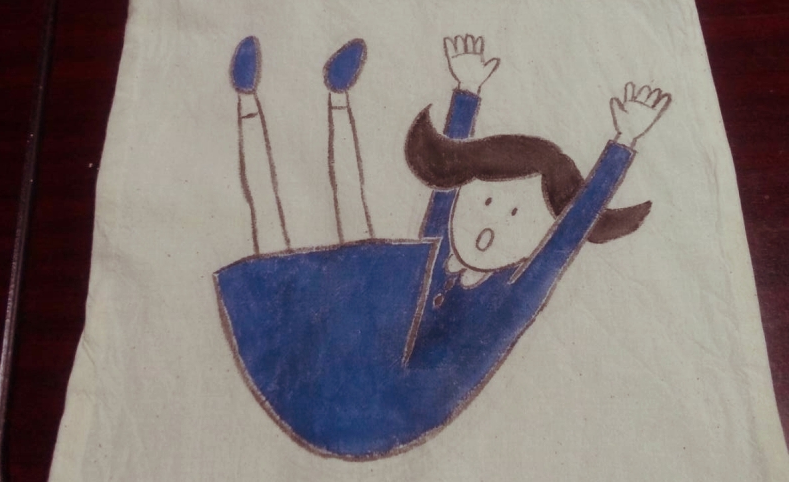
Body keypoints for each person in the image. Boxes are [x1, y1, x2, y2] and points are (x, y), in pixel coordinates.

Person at [215, 35, 671, 459]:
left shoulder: (511, 298)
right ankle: (280, 100)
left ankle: (304, 101)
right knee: (355, 255)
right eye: (485, 201)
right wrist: (466, 90)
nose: (488, 226)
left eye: (517, 216)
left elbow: (565, 240)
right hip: (325, 374)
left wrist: (623, 142)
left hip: (392, 407)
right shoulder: (438, 250)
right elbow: (447, 185)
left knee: (362, 258)